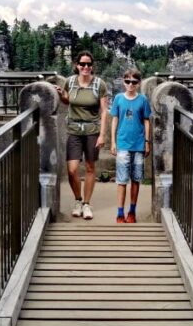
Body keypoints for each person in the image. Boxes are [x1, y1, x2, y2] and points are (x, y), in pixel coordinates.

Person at [55, 51, 110, 220]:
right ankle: (78, 200)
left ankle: (86, 204)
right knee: (72, 170)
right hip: (74, 130)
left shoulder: (99, 84)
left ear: (92, 66)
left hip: (92, 130)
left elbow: (104, 111)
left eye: (88, 64)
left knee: (90, 168)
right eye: (82, 64)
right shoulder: (70, 82)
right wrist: (61, 95)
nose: (86, 67)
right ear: (77, 65)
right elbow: (68, 101)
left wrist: (102, 135)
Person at [110, 68, 152, 224]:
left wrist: (147, 142)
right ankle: (120, 213)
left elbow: (146, 121)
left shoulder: (142, 100)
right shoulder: (118, 99)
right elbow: (114, 119)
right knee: (122, 180)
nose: (130, 84)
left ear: (138, 83)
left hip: (139, 144)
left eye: (134, 82)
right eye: (127, 81)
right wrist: (113, 142)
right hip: (122, 144)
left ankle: (132, 212)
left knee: (136, 179)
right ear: (123, 82)